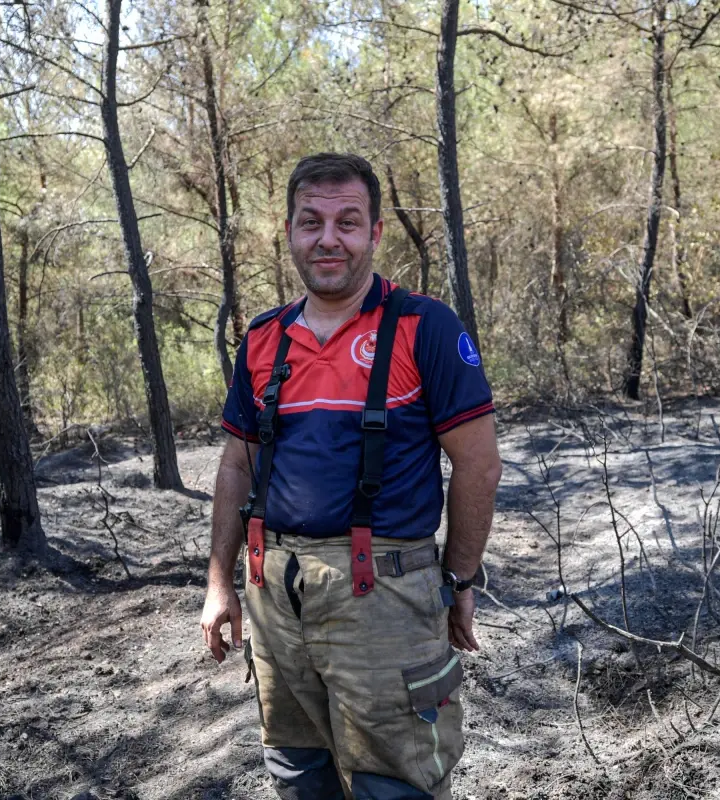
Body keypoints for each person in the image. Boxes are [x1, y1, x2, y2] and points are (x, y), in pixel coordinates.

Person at [200, 152, 502, 800]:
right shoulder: (263, 339)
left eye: (348, 221)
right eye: (312, 222)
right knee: (297, 775)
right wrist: (219, 583)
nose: (329, 238)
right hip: (274, 597)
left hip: (386, 598)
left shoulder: (425, 329)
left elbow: (478, 464)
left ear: (375, 233)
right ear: (289, 232)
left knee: (393, 786)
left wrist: (458, 578)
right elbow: (235, 465)